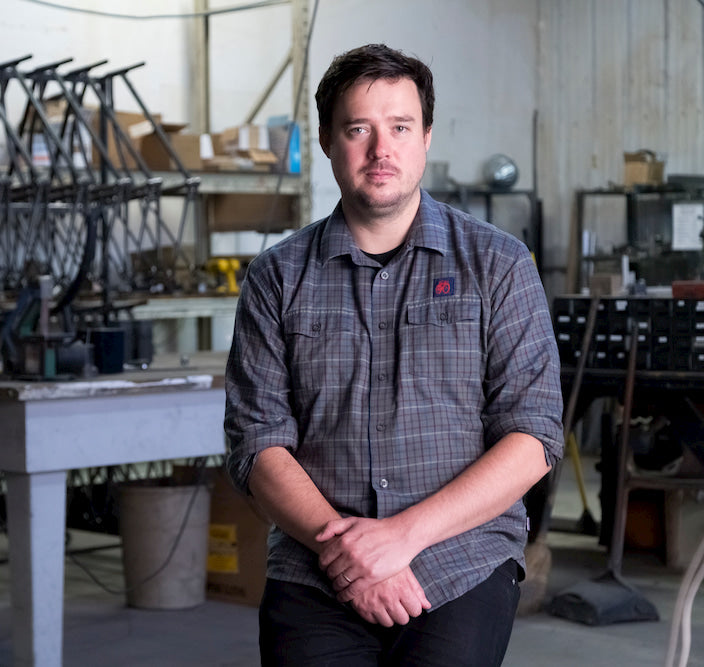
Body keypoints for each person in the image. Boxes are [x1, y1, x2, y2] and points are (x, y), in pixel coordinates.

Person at [223, 43, 564, 666]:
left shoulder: (498, 265)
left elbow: (533, 436)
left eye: (400, 127)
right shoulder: (276, 278)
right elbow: (257, 443)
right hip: (315, 563)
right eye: (359, 129)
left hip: (460, 559)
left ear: (425, 136)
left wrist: (400, 539)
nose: (382, 150)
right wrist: (351, 555)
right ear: (329, 140)